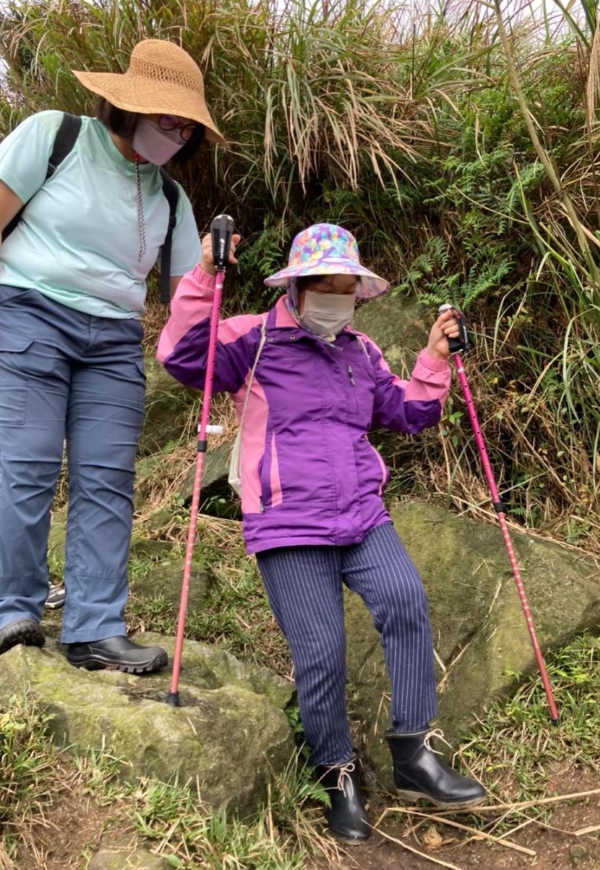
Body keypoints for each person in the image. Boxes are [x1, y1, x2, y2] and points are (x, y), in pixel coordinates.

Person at [157, 223, 486, 841]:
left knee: (406, 602)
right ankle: (336, 772)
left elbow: (407, 412)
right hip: (286, 519)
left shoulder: (361, 352)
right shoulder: (250, 340)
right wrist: (203, 276)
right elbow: (179, 358)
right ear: (298, 287)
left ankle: (413, 754)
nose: (339, 299)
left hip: (361, 512)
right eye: (328, 287)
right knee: (322, 653)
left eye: (348, 289)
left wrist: (434, 360)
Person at [0, 39, 225, 674]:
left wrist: (212, 269)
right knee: (26, 465)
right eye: (167, 118)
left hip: (114, 339)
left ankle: (95, 625)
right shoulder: (54, 137)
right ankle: (12, 607)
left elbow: (186, 303)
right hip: (27, 313)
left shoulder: (172, 199)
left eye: (185, 126)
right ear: (128, 105)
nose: (177, 133)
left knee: (106, 481)